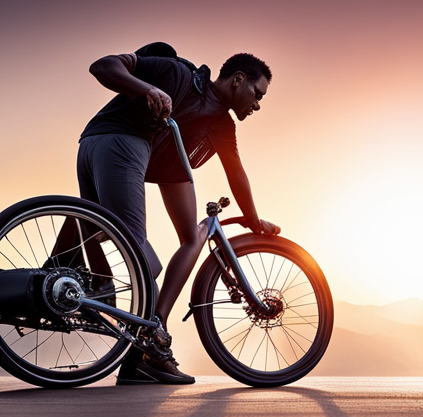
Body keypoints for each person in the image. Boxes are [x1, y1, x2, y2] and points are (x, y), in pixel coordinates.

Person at [77, 42, 280, 385]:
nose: (258, 104)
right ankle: (147, 338)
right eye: (256, 93)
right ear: (238, 80)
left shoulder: (219, 123)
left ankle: (152, 333)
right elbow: (103, 65)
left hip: (122, 152)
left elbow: (236, 173)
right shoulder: (178, 73)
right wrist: (148, 89)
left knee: (191, 238)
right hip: (122, 143)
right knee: (145, 265)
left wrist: (254, 219)